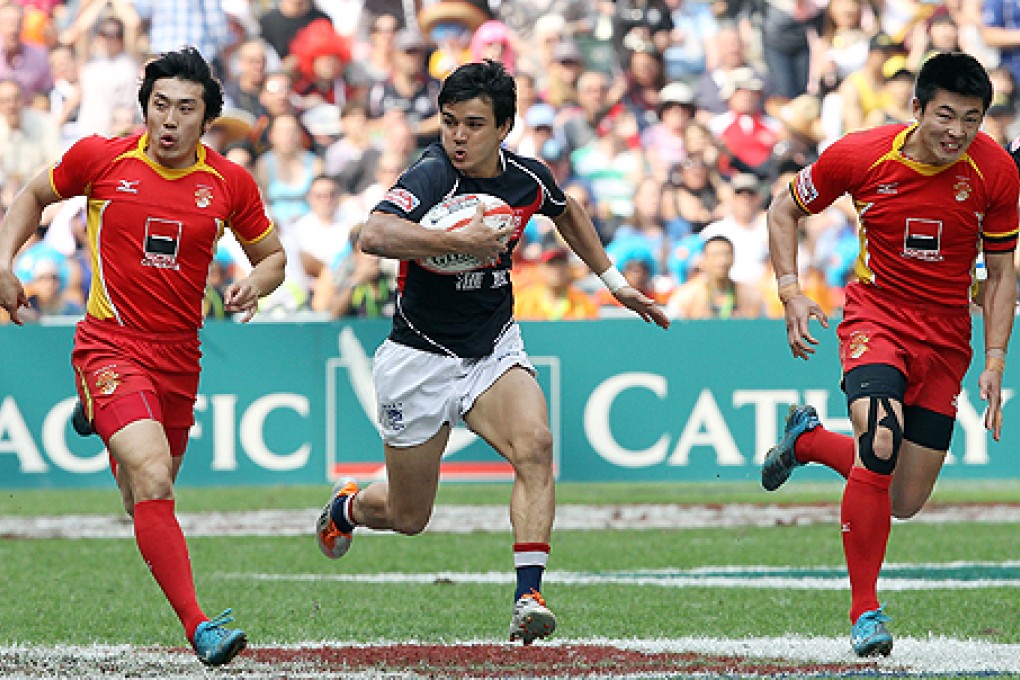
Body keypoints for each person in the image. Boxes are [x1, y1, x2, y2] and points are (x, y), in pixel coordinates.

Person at [314, 59, 670, 645]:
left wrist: (613, 281)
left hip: (492, 350)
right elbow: (373, 235)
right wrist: (456, 240)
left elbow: (566, 210)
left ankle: (528, 594)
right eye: (450, 122)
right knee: (409, 517)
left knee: (536, 446)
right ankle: (347, 509)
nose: (457, 136)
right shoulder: (430, 176)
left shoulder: (525, 178)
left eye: (474, 124)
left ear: (504, 127)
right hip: (418, 357)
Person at [0, 46, 286, 666]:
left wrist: (256, 284)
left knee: (138, 498)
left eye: (186, 109)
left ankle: (93, 411)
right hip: (110, 342)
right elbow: (30, 195)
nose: (170, 120)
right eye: (160, 105)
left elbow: (274, 258)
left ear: (205, 118)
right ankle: (200, 625)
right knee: (154, 475)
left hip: (181, 357)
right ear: (146, 108)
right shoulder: (101, 159)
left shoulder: (229, 184)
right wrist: (3, 260)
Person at [762, 52, 1018, 658]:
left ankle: (807, 442)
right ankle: (864, 611)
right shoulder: (860, 155)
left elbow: (1004, 272)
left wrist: (996, 356)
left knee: (903, 501)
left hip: (948, 336)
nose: (958, 132)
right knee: (879, 442)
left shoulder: (997, 171)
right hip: (876, 317)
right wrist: (792, 292)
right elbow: (783, 208)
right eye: (946, 115)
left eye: (973, 119)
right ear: (917, 109)